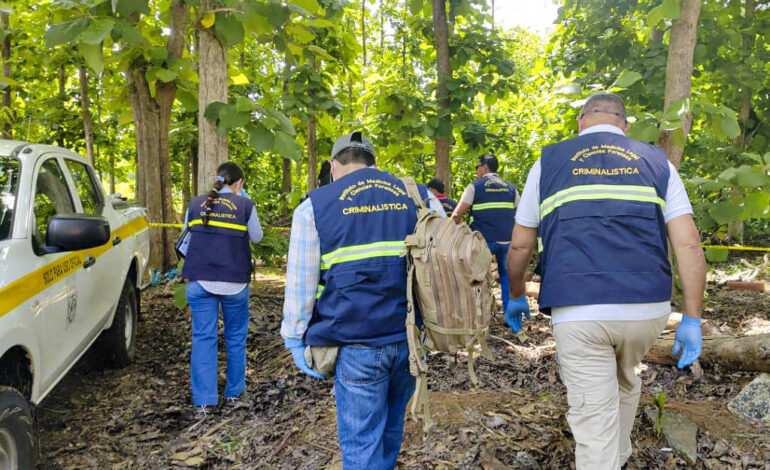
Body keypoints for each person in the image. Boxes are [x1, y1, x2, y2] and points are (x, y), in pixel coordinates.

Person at [505, 93, 706, 470]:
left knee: (593, 421)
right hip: (646, 308)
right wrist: (692, 318)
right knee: (625, 378)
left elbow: (519, 245)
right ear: (624, 126)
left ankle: (606, 460)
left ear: (581, 122)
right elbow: (689, 244)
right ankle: (618, 458)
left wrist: (517, 294)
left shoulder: (548, 162)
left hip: (578, 309)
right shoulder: (657, 162)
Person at [281, 131, 429, 469]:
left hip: (356, 345)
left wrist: (293, 334)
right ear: (374, 164)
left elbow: (302, 282)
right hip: (409, 338)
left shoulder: (314, 207)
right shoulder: (418, 198)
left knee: (362, 444)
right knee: (391, 430)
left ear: (334, 166)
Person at [181, 162, 263, 418]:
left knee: (203, 339)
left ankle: (204, 403)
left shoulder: (196, 204)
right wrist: (243, 203)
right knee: (236, 338)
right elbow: (257, 237)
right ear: (239, 184)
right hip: (235, 283)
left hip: (201, 281)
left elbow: (187, 234)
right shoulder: (245, 206)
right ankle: (234, 394)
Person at [451, 154, 519, 311]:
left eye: (477, 167)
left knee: (478, 278)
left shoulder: (475, 186)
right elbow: (522, 215)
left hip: (483, 242)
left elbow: (456, 215)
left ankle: (481, 315)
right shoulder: (510, 187)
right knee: (507, 277)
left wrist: (467, 234)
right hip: (507, 241)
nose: (476, 171)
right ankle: (510, 315)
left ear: (485, 167)